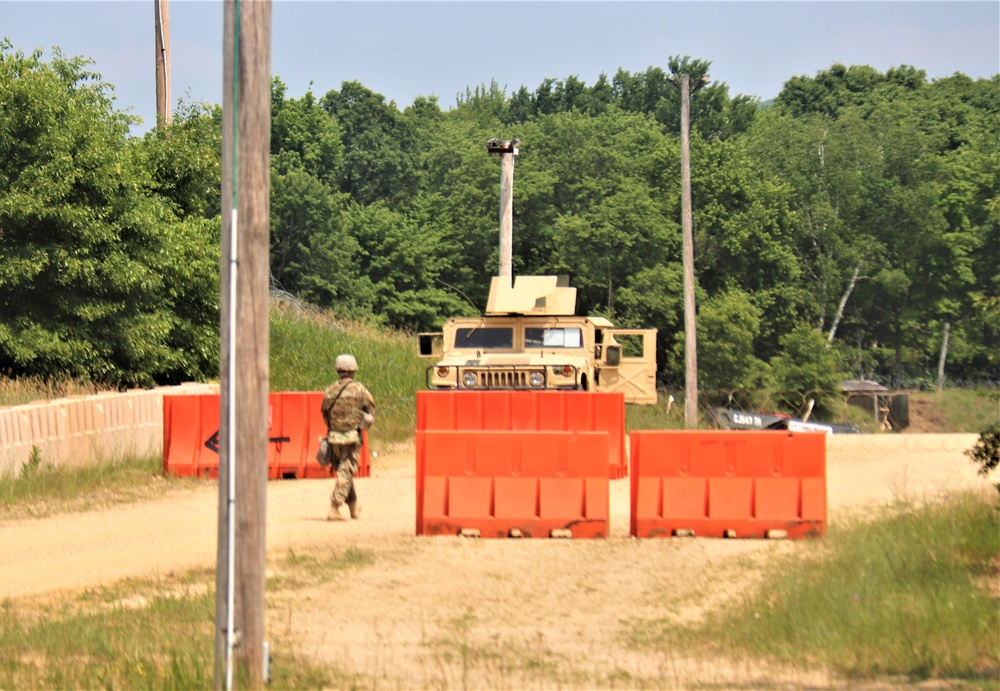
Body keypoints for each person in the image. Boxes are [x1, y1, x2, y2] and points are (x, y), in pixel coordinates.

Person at [320, 353, 376, 521]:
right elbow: (370, 413)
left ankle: (354, 506)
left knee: (344, 471)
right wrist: (361, 427)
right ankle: (334, 508)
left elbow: (324, 413)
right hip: (351, 438)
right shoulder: (360, 390)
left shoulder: (329, 391)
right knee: (346, 472)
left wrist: (334, 427)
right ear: (353, 371)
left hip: (334, 438)